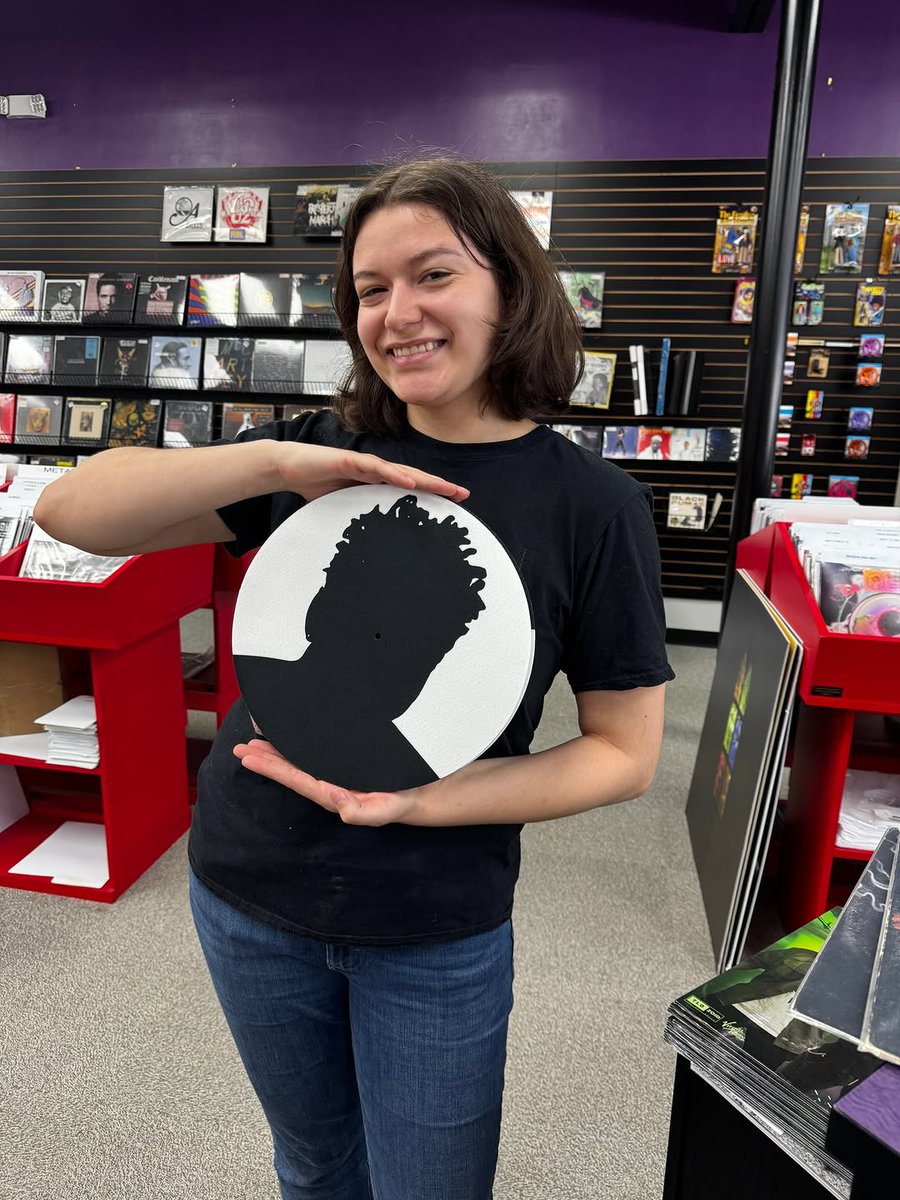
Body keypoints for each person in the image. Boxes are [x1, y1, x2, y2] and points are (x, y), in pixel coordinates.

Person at [34, 157, 673, 1200]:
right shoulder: (318, 457)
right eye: (371, 290)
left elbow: (625, 753)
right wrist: (276, 465)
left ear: (509, 285)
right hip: (247, 891)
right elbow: (72, 512)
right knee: (315, 1167)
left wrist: (428, 802)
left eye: (433, 276)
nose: (397, 313)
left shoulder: (590, 507)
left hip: (435, 920)